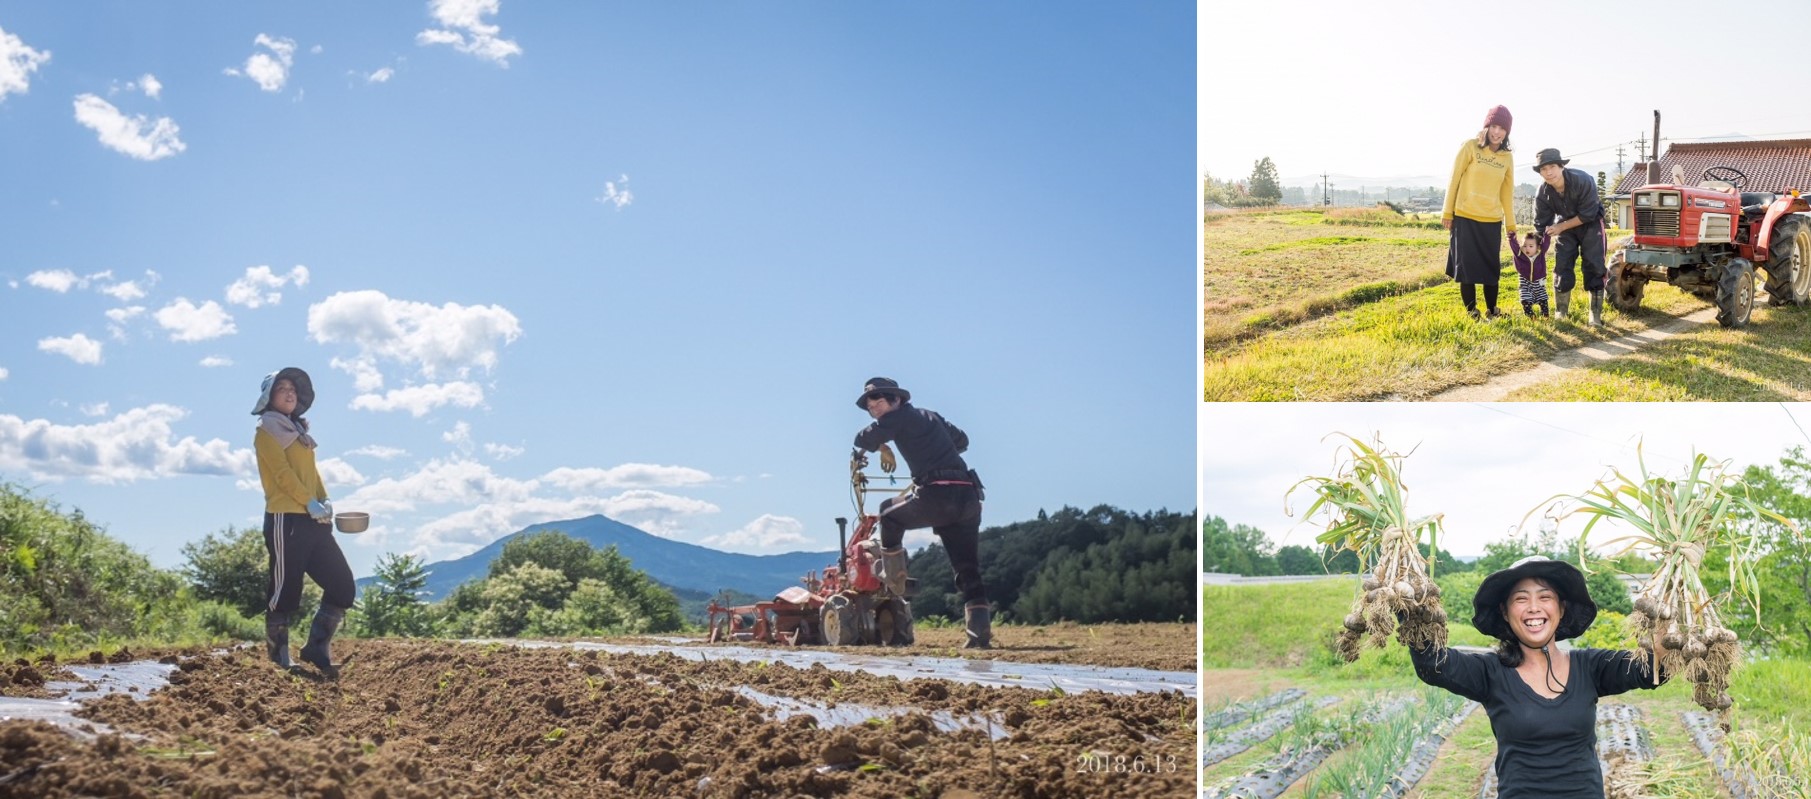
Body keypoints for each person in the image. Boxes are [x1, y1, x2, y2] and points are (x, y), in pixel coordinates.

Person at [1408, 557, 1668, 798]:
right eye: (1521, 599)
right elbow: (1432, 663)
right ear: (1505, 612)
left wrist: (1673, 596)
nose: (1534, 608)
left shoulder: (1590, 666)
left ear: (1561, 608)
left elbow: (1651, 668)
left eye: (1545, 597)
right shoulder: (1490, 672)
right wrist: (1410, 602)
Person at [851, 377, 991, 649]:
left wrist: (883, 445)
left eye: (879, 401)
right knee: (967, 568)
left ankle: (894, 577)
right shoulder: (931, 416)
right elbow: (962, 440)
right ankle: (979, 636)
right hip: (968, 495)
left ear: (897, 399)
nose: (875, 409)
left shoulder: (897, 416)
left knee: (889, 515)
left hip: (937, 495)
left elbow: (862, 438)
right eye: (870, 407)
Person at [252, 367, 354, 678]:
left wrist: (324, 501)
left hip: (314, 519)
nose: (289, 392)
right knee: (285, 588)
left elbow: (313, 476)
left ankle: (316, 647)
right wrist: (308, 503)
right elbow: (283, 476)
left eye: (293, 389)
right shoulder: (266, 432)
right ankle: (279, 654)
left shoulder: (299, 434)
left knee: (343, 586)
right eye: (281, 388)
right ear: (269, 397)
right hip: (287, 519)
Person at [1443, 105, 1520, 320]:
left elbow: (1507, 192)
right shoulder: (1470, 147)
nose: (1497, 132)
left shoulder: (1507, 157)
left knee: (1490, 268)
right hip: (1465, 217)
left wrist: (1511, 225)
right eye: (1494, 126)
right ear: (1486, 126)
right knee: (1466, 268)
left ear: (1507, 133)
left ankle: (1492, 311)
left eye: (1502, 129)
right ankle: (1472, 313)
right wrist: (1447, 212)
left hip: (1491, 220)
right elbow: (1454, 178)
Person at [1532, 148, 1610, 326]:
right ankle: (1561, 312)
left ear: (1561, 166)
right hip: (1565, 226)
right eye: (1543, 169)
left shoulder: (1583, 180)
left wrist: (1560, 227)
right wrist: (1536, 247)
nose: (1548, 172)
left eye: (1552, 166)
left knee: (1594, 264)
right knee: (1562, 264)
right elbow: (1541, 224)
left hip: (1590, 223)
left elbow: (1588, 214)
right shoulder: (1542, 192)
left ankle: (1595, 315)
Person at [1509, 230, 1551, 317]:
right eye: (1524, 246)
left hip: (1539, 283)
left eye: (1531, 246)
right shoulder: (1520, 256)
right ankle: (1530, 315)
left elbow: (1546, 244)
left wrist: (1547, 235)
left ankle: (1545, 314)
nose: (1527, 248)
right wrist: (1511, 237)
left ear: (1537, 247)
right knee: (1525, 299)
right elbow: (1514, 247)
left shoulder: (1540, 254)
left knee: (1543, 298)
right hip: (1525, 283)